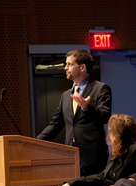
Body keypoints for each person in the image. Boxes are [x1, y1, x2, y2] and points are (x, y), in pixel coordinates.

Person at [37, 49, 112, 177]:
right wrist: (35, 142)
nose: (65, 68)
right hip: (71, 157)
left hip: (93, 157)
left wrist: (87, 108)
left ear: (82, 67)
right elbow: (55, 124)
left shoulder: (101, 88)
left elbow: (105, 116)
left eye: (69, 64)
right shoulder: (66, 96)